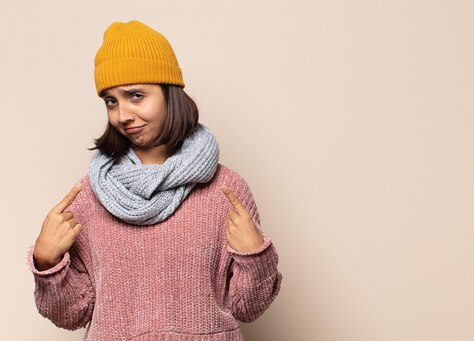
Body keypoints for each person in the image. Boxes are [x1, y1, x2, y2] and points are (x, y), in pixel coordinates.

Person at [25, 20, 282, 340]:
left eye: (136, 95)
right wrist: (47, 261)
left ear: (169, 93)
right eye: (111, 101)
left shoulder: (224, 190)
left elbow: (248, 308)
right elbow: (73, 314)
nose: (122, 115)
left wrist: (255, 256)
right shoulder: (90, 196)